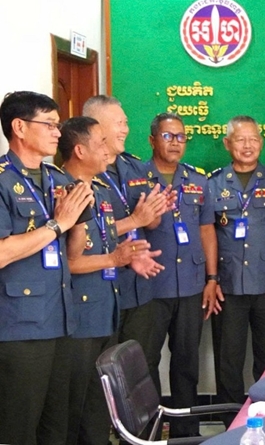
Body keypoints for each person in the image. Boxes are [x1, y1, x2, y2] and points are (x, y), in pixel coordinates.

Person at [58, 116, 160, 445]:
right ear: (79, 150)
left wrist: (129, 257)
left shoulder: (99, 190)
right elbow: (67, 262)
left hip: (106, 309)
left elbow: (102, 241)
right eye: (100, 143)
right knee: (73, 409)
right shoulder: (61, 191)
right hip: (78, 316)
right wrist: (115, 259)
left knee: (99, 407)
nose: (107, 150)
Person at [0, 91, 94, 445]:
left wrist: (78, 219)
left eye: (59, 125)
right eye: (50, 124)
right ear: (19, 127)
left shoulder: (56, 178)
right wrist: (57, 224)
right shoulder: (2, 180)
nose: (58, 132)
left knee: (58, 427)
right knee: (20, 427)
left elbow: (72, 253)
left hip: (61, 318)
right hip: (20, 326)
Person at [206, 116, 265, 426]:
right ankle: (231, 426)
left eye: (253, 139)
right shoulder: (213, 183)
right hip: (227, 287)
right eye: (240, 140)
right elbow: (206, 233)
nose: (248, 146)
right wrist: (211, 279)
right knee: (228, 363)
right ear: (227, 144)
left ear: (261, 143)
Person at [83, 95, 171, 380]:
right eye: (119, 123)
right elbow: (89, 233)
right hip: (104, 285)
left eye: (126, 123)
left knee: (138, 367)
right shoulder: (83, 173)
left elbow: (151, 222)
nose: (125, 129)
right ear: (97, 127)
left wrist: (155, 211)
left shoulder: (134, 167)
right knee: (104, 373)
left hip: (139, 284)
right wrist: (135, 220)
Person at [141, 113, 216, 438]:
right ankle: (149, 432)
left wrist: (212, 279)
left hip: (190, 282)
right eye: (168, 136)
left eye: (181, 137)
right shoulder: (136, 178)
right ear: (152, 140)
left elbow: (207, 230)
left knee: (187, 362)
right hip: (150, 285)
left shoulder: (198, 180)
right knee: (146, 362)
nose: (175, 143)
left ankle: (186, 434)